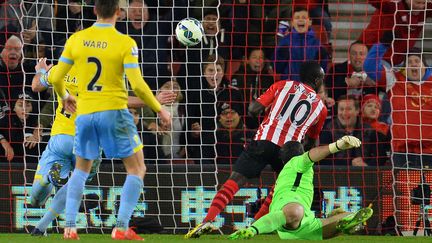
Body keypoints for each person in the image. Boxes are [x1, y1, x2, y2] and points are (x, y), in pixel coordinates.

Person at [49, 0, 171, 240]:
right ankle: (121, 227)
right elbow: (137, 85)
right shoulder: (125, 42)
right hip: (114, 113)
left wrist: (65, 97)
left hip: (84, 115)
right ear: (119, 12)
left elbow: (56, 78)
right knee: (137, 168)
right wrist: (160, 109)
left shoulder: (76, 39)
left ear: (94, 10)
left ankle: (70, 227)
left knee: (80, 171)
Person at [29, 57, 175, 236]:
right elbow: (125, 100)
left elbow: (35, 86)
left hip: (61, 138)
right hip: (88, 144)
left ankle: (42, 211)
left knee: (36, 197)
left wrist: (41, 71)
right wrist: (155, 100)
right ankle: (44, 225)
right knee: (76, 183)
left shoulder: (61, 70)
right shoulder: (99, 78)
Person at [185, 61, 328, 238]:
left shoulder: (283, 85)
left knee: (234, 181)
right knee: (278, 189)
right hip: (290, 151)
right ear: (317, 79)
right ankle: (254, 228)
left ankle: (207, 221)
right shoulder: (321, 108)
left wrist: (264, 121)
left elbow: (253, 109)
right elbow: (311, 143)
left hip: (264, 139)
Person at [228, 136, 373, 240]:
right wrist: (337, 146)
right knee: (295, 211)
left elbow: (267, 205)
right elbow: (311, 155)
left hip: (298, 226)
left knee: (344, 216)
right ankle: (252, 231)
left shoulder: (284, 175)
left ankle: (341, 220)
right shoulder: (295, 162)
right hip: (291, 209)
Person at [275, 6, 329, 82]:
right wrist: (281, 56)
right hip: (289, 86)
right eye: (297, 17)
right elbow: (277, 68)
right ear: (292, 22)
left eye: (304, 17)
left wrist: (323, 58)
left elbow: (323, 71)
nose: (300, 19)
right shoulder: (285, 41)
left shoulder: (316, 43)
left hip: (309, 86)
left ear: (310, 22)